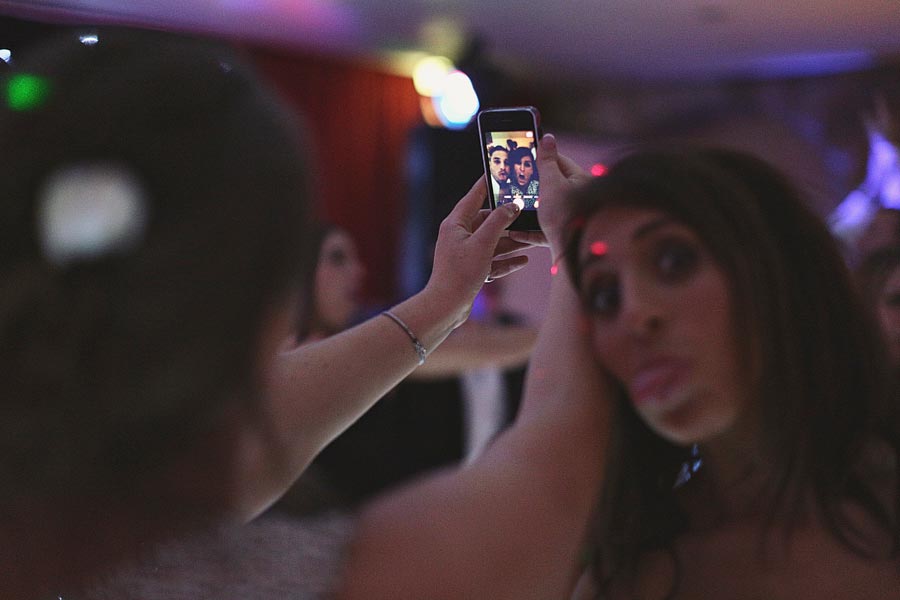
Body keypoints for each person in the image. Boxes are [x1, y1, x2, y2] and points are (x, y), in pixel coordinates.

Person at [2, 28, 610, 600]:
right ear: (257, 293)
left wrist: (442, 302)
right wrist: (579, 250)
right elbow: (551, 491)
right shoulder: (231, 577)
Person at [533, 135, 900, 598]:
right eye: (605, 296)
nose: (635, 315)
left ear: (777, 271)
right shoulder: (634, 573)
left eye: (674, 261)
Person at [508, 145, 540, 209]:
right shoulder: (506, 190)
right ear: (513, 167)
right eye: (518, 163)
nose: (522, 169)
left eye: (527, 165)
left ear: (532, 170)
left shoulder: (541, 188)